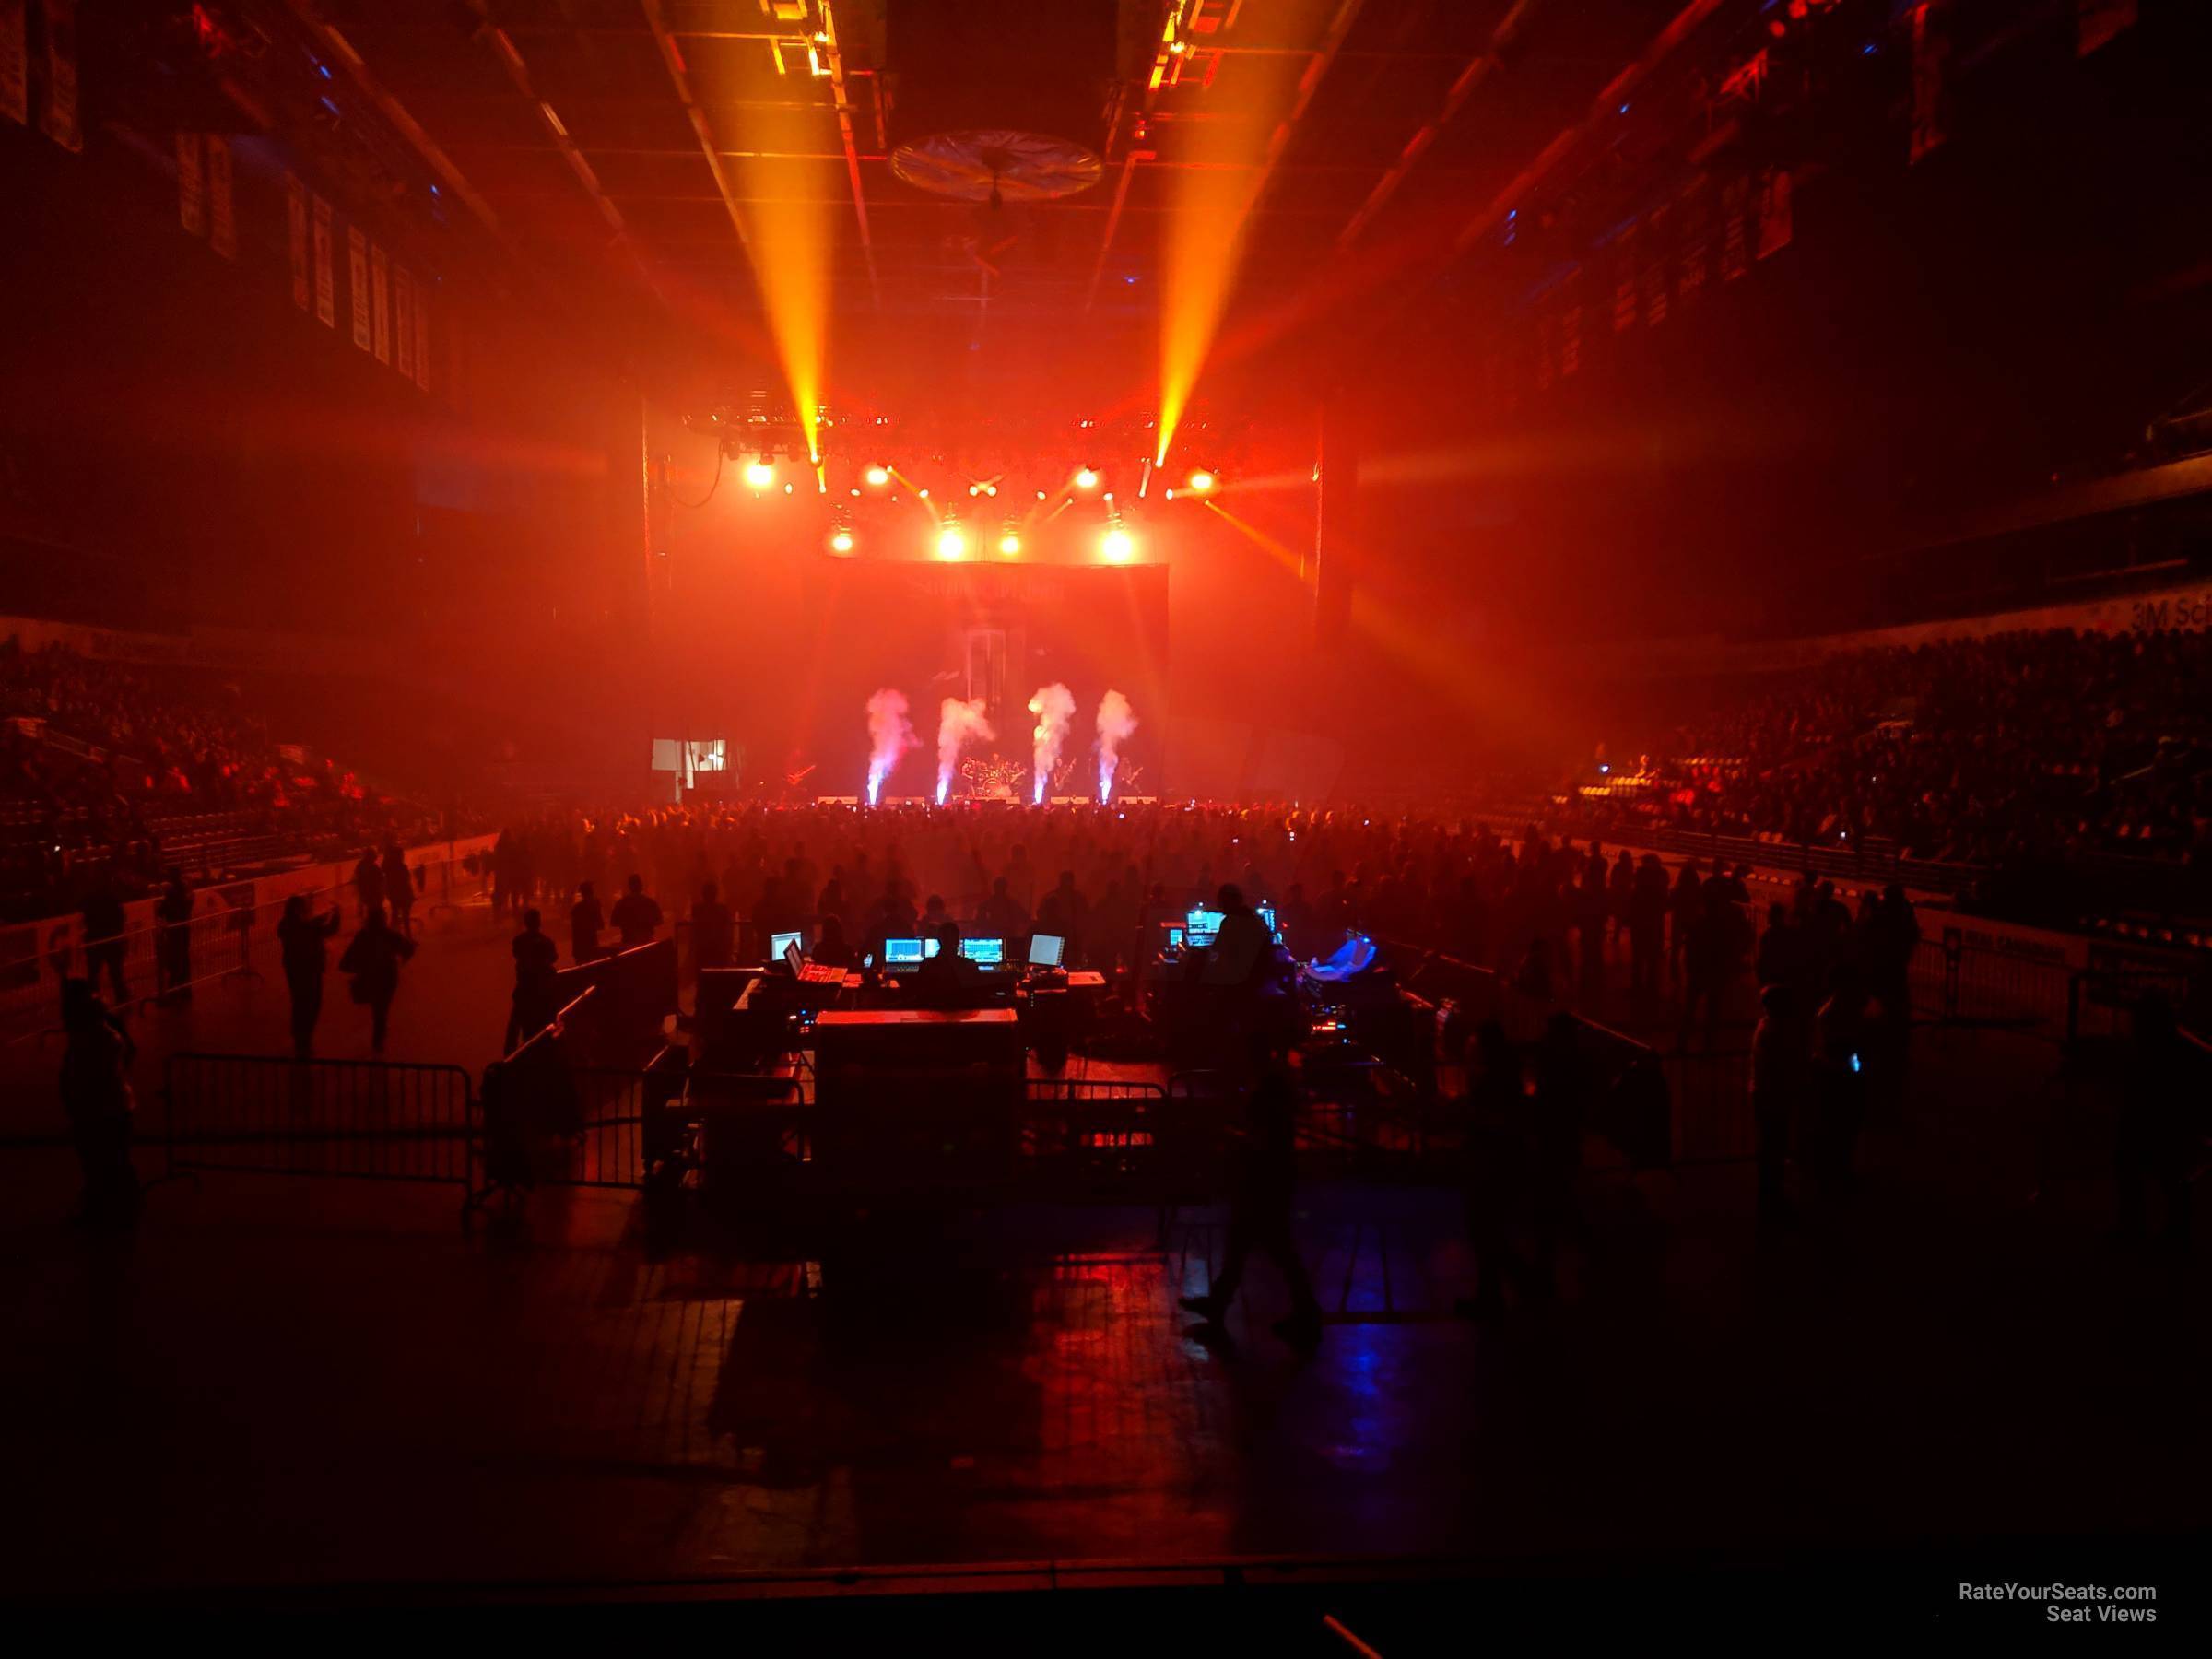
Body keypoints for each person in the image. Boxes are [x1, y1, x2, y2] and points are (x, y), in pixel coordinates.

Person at [1179, 1063, 1324, 1349]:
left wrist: (1233, 1143)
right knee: (1264, 1253)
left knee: (1263, 1253)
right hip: (1268, 1194)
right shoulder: (1280, 1118)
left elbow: (1259, 1150)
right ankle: (1301, 1311)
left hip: (1260, 1194)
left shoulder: (1269, 1118)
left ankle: (1224, 1305)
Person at [2113, 997, 2194, 1246]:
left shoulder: (2153, 1058)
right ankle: (2174, 1227)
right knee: (2165, 1168)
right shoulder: (2175, 1051)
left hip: (2159, 1128)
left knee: (2129, 1156)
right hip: (2170, 1127)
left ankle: (2134, 1225)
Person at [58, 978, 138, 1229]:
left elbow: (79, 1073)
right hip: (112, 1104)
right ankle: (124, 1205)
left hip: (97, 1107)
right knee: (115, 1158)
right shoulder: (106, 1030)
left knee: (100, 1159)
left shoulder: (90, 1037)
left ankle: (109, 1209)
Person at [1749, 982, 1807, 1228]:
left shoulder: (1766, 1026)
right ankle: (1771, 1199)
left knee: (1772, 1148)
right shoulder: (1776, 1031)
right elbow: (1782, 1066)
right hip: (1773, 1097)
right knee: (1774, 1148)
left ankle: (1771, 1196)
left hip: (1766, 1095)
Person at [338, 903, 416, 1054]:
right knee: (382, 1010)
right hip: (388, 979)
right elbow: (408, 949)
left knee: (378, 1010)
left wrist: (361, 968)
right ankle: (378, 1043)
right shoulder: (389, 935)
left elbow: (345, 963)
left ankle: (378, 1040)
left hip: (371, 977)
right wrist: (401, 961)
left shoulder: (363, 936)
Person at [276, 893, 342, 1060]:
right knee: (312, 1004)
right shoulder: (307, 927)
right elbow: (328, 930)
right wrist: (335, 915)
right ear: (300, 909)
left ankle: (299, 1037)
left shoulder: (286, 925)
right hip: (310, 969)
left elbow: (306, 927)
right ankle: (304, 1039)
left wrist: (317, 920)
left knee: (299, 1002)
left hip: (293, 969)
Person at [504, 907, 561, 1053]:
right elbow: (554, 958)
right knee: (546, 1022)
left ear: (525, 923)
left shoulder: (519, 941)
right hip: (542, 990)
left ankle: (509, 1055)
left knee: (515, 1025)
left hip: (524, 988)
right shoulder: (546, 941)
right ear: (539, 922)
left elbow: (516, 955)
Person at [79, 879, 129, 1006]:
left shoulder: (89, 899)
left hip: (95, 939)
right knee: (115, 971)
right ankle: (121, 996)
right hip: (111, 939)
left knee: (93, 972)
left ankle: (94, 999)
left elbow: (84, 915)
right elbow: (121, 917)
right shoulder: (114, 898)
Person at [910, 921, 980, 1007]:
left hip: (933, 1010)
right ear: (958, 941)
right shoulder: (970, 964)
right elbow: (977, 994)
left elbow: (918, 992)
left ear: (939, 941)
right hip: (962, 1010)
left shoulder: (927, 964)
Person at [156, 866, 194, 1003]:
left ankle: (174, 987)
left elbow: (161, 911)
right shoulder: (185, 893)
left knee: (174, 959)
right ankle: (185, 987)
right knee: (183, 957)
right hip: (183, 929)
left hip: (175, 931)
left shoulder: (171, 894)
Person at [690, 881, 734, 976]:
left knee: (703, 975)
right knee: (718, 975)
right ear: (716, 894)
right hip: (719, 948)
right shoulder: (722, 909)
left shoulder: (697, 909)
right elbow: (727, 929)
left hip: (703, 948)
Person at [609, 874, 662, 949]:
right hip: (647, 942)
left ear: (629, 887)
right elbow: (659, 921)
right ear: (641, 886)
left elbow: (614, 922)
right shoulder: (650, 902)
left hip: (628, 943)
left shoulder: (621, 903)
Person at [382, 842, 414, 935]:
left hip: (393, 894)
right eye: (402, 854)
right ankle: (407, 936)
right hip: (402, 894)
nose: (403, 856)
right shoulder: (401, 867)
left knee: (395, 913)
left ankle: (394, 935)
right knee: (405, 916)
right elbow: (406, 880)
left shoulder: (387, 866)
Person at [570, 880, 605, 964]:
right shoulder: (593, 906)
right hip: (590, 944)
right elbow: (600, 925)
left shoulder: (577, 909)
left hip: (580, 947)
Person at [352, 847, 383, 920]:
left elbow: (358, 878)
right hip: (373, 894)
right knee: (375, 913)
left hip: (365, 893)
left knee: (368, 912)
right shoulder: (374, 867)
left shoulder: (360, 865)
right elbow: (381, 879)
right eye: (375, 854)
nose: (376, 856)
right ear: (371, 855)